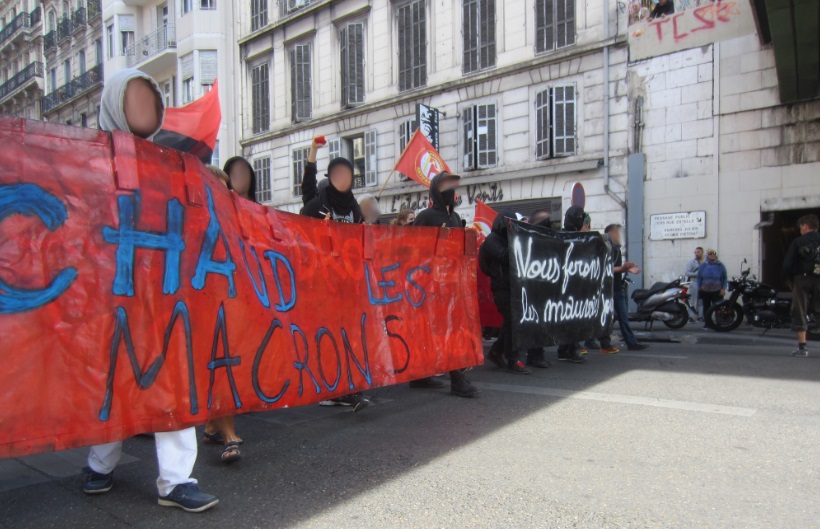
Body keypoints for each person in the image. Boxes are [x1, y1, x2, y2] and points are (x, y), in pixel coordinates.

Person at [83, 68, 219, 513]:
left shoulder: (166, 159)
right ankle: (100, 463)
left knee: (171, 376)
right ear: (114, 105)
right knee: (116, 377)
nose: (144, 109)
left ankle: (176, 480)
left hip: (163, 288)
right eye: (133, 100)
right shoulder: (86, 158)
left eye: (150, 100)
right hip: (111, 291)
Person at [300, 138, 369, 411]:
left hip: (347, 285)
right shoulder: (315, 206)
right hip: (321, 285)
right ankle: (333, 386)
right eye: (337, 174)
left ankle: (349, 388)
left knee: (348, 335)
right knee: (327, 337)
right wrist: (313, 153)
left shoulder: (353, 208)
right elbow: (301, 241)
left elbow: (363, 243)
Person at [411, 172, 481, 397]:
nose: (455, 193)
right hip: (430, 286)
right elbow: (413, 250)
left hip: (450, 285)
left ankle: (436, 376)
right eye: (450, 188)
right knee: (437, 332)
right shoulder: (426, 217)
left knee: (449, 332)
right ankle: (454, 380)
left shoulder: (455, 217)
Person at [479, 211, 536, 373]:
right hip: (502, 287)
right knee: (513, 321)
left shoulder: (506, 239)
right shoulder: (492, 240)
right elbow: (505, 256)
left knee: (511, 322)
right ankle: (513, 358)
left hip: (513, 286)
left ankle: (497, 352)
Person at [605, 223, 649, 351]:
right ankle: (597, 341)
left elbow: (615, 269)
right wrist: (624, 268)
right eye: (616, 233)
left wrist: (627, 269)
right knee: (611, 318)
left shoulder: (616, 249)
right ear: (610, 234)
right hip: (609, 290)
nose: (618, 235)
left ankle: (631, 342)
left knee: (620, 318)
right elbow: (606, 268)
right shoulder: (607, 248)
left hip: (617, 288)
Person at [781, 214, 820, 357]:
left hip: (802, 279)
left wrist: (786, 279)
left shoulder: (798, 241)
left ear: (805, 226)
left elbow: (788, 264)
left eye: (800, 227)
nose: (800, 230)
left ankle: (802, 347)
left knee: (800, 310)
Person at [556, 206, 589, 362]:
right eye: (579, 216)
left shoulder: (575, 236)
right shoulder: (564, 236)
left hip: (574, 284)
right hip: (567, 286)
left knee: (572, 319)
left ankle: (569, 348)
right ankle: (567, 349)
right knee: (569, 320)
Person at [697, 248, 728, 326]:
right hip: (705, 290)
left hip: (717, 289)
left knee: (718, 307)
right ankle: (707, 323)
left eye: (714, 254)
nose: (712, 255)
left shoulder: (720, 265)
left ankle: (719, 322)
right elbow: (699, 277)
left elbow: (724, 277)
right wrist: (699, 287)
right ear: (707, 255)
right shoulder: (703, 265)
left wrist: (723, 288)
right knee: (706, 307)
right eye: (710, 254)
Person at [685, 247, 705, 321]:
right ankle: (691, 316)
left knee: (701, 300)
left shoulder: (705, 262)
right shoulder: (691, 262)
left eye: (698, 252)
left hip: (703, 284)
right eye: (695, 252)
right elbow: (687, 273)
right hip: (694, 282)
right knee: (692, 300)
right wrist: (697, 274)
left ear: (702, 252)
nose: (696, 254)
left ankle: (700, 316)